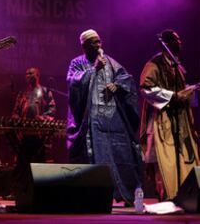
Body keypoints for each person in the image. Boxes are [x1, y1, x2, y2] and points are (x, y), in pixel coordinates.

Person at [66, 29, 143, 205]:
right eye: (94, 43)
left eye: (100, 42)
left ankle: (127, 195)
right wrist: (93, 70)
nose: (99, 46)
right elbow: (73, 83)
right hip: (91, 120)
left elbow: (128, 79)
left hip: (114, 119)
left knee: (123, 155)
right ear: (84, 46)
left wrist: (117, 85)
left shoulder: (112, 63)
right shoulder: (77, 63)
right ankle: (97, 197)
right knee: (95, 158)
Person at [140, 29, 199, 200]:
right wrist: (173, 96)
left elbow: (180, 92)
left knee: (180, 158)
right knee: (164, 160)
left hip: (179, 121)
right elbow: (146, 88)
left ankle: (185, 196)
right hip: (162, 120)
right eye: (175, 39)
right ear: (166, 42)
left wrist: (191, 92)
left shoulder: (176, 65)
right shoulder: (154, 64)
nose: (179, 43)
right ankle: (168, 196)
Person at [11, 67, 56, 196]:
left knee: (39, 162)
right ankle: (19, 191)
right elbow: (15, 112)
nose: (27, 75)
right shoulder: (22, 93)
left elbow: (52, 109)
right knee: (21, 163)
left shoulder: (46, 91)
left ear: (37, 75)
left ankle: (40, 192)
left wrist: (43, 118)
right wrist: (17, 120)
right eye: (26, 73)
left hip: (39, 134)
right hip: (24, 135)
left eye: (30, 73)